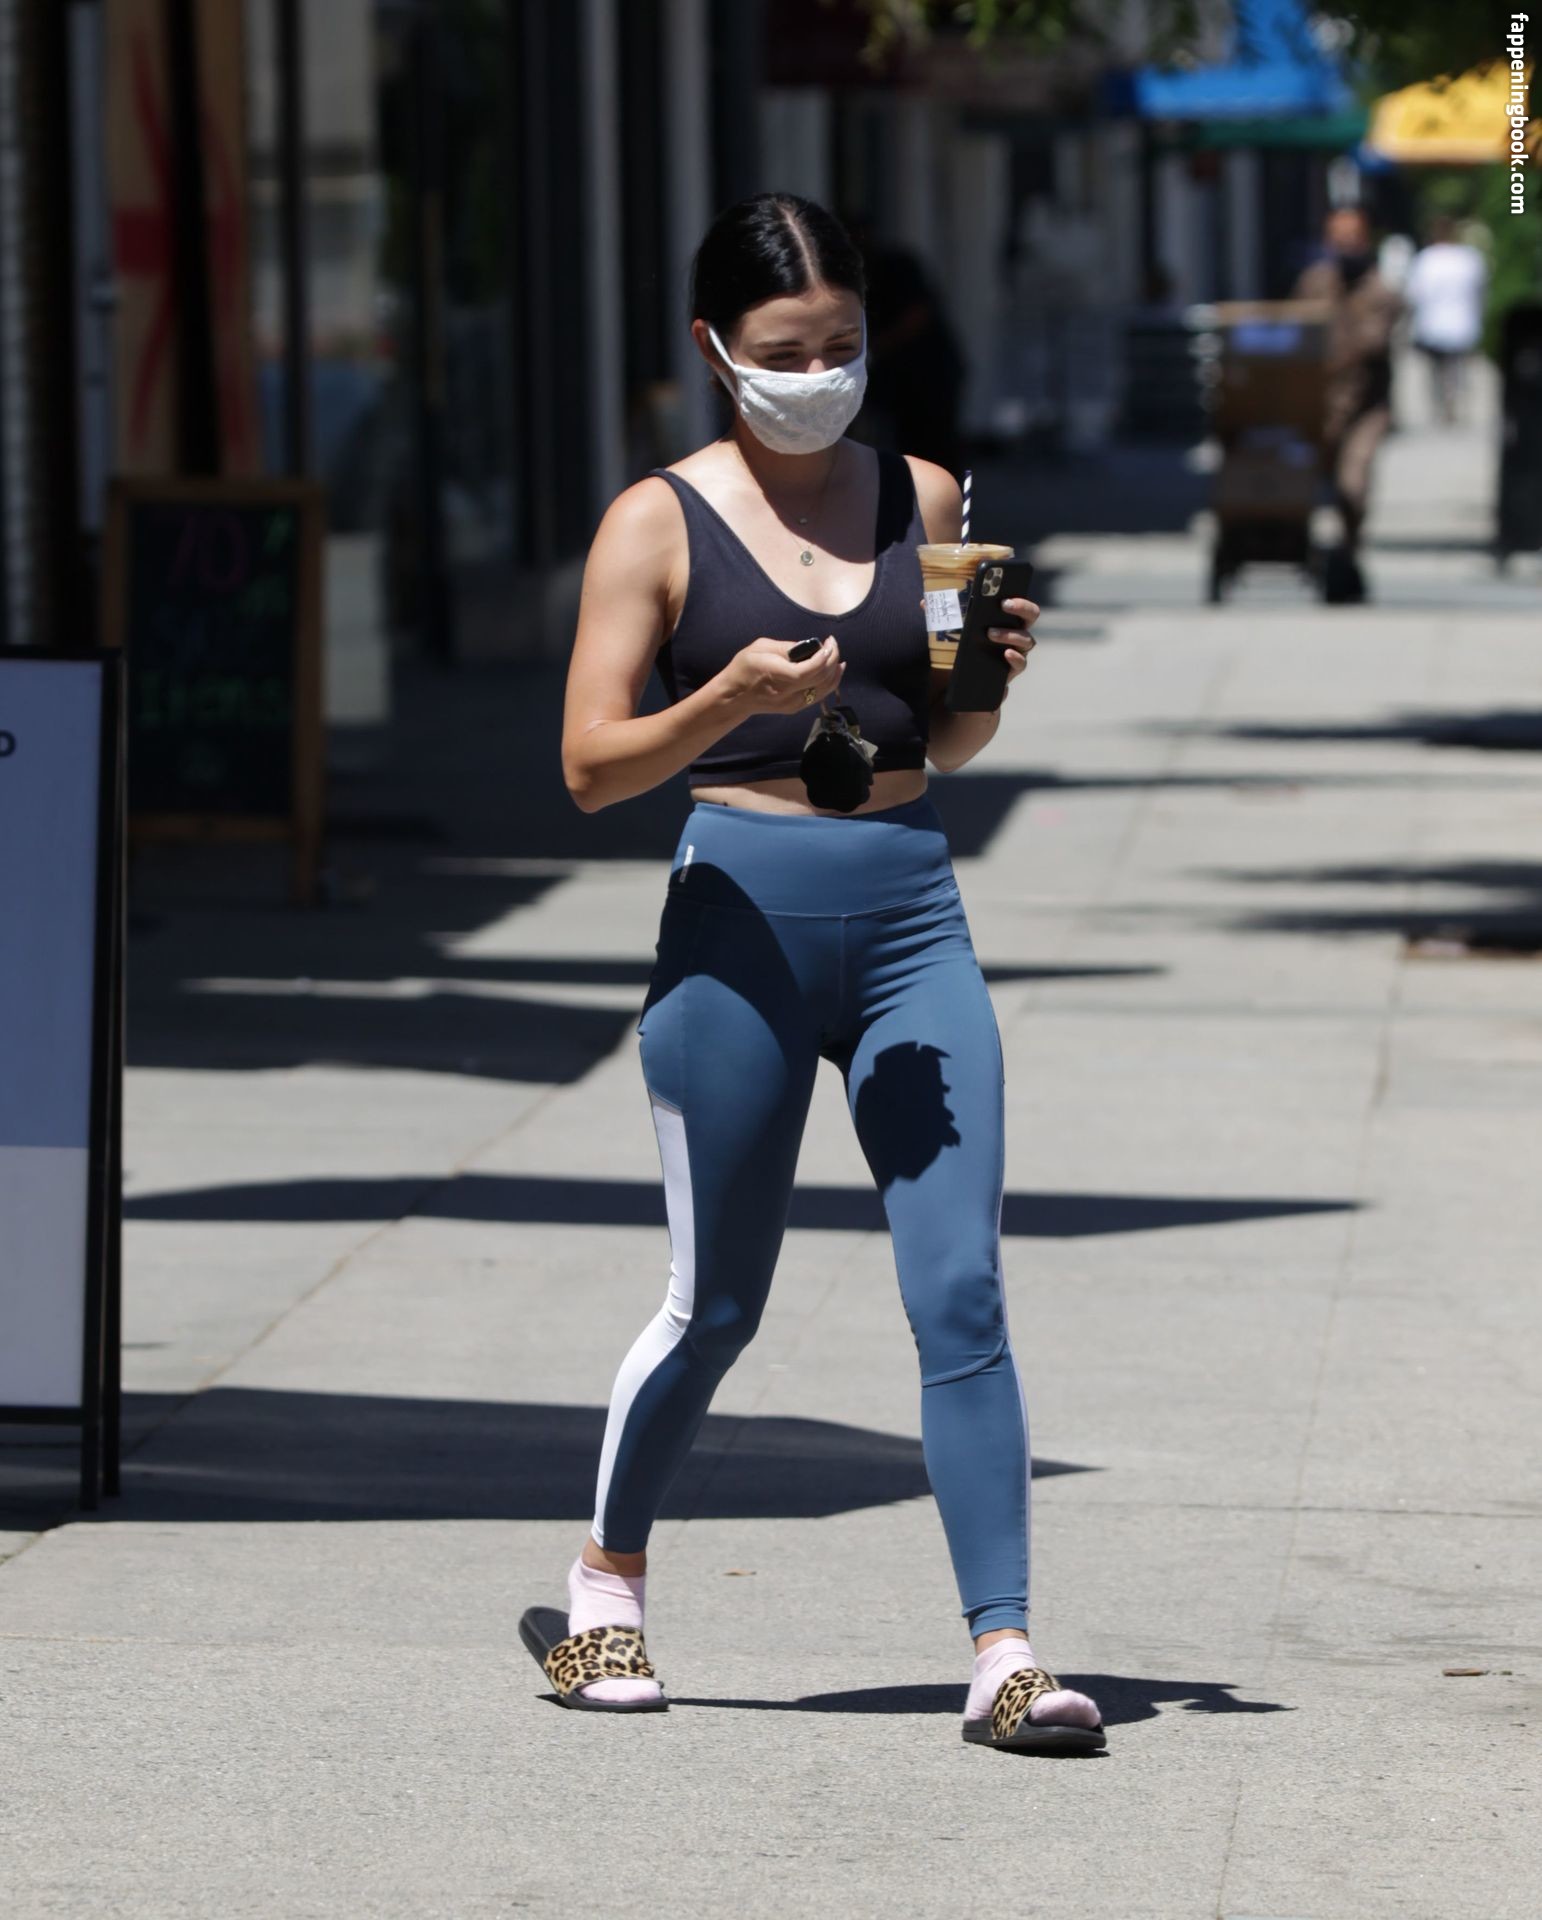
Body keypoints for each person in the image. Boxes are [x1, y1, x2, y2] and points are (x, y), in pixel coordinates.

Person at [530, 193, 1105, 1756]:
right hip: (739, 921)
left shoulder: (925, 493)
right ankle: (602, 1590)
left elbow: (952, 739)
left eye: (839, 344)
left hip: (911, 913)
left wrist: (992, 677)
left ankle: (1004, 1652)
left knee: (959, 1287)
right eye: (783, 351)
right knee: (717, 1300)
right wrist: (723, 697)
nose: (817, 374)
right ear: (715, 350)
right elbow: (587, 768)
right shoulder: (655, 523)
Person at [1293, 206, 1403, 602]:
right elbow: (1295, 328)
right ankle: (1320, 558)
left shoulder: (1381, 293)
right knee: (1302, 486)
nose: (1345, 246)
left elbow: (1370, 344)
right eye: (1338, 238)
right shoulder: (1315, 282)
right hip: (1319, 406)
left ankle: (1349, 550)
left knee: (1352, 485)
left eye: (1352, 238)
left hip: (1365, 408)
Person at [1404, 214, 1488, 427]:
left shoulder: (1425, 259)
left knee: (1436, 369)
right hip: (1462, 323)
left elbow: (1414, 295)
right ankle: (1455, 401)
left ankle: (1442, 404)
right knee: (1459, 367)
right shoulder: (1468, 258)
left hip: (1433, 324)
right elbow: (1480, 291)